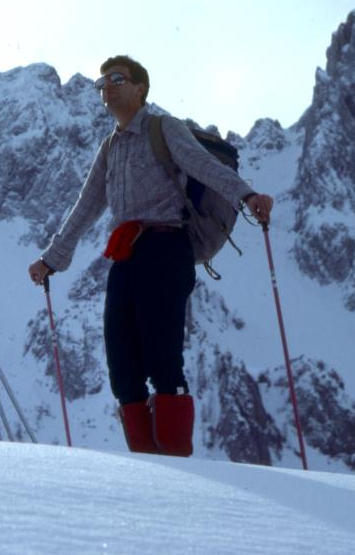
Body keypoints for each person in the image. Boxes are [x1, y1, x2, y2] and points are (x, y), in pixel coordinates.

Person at [27, 55, 273, 457]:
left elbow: (202, 165)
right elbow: (86, 207)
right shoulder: (110, 147)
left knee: (162, 359)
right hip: (125, 257)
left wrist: (245, 195)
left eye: (117, 79)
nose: (108, 86)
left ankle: (175, 462)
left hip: (165, 248)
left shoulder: (163, 128)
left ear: (140, 88)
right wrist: (52, 258)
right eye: (102, 81)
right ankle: (148, 466)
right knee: (123, 367)